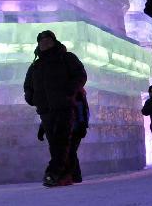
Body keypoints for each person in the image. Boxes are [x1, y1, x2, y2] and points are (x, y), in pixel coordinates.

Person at [24, 30, 88, 187]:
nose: (45, 43)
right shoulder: (35, 66)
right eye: (41, 41)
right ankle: (66, 176)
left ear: (54, 41)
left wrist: (69, 91)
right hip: (45, 110)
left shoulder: (67, 58)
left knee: (61, 141)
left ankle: (52, 174)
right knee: (55, 144)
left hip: (65, 107)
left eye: (48, 40)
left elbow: (80, 75)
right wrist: (31, 99)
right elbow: (28, 86)